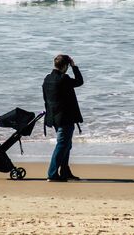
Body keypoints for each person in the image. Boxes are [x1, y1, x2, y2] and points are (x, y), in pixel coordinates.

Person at [42, 54, 84, 182]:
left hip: (54, 118)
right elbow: (79, 81)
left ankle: (65, 171)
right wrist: (74, 67)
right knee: (62, 145)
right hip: (64, 118)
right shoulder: (64, 79)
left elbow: (46, 99)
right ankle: (52, 174)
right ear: (65, 66)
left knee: (66, 145)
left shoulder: (47, 79)